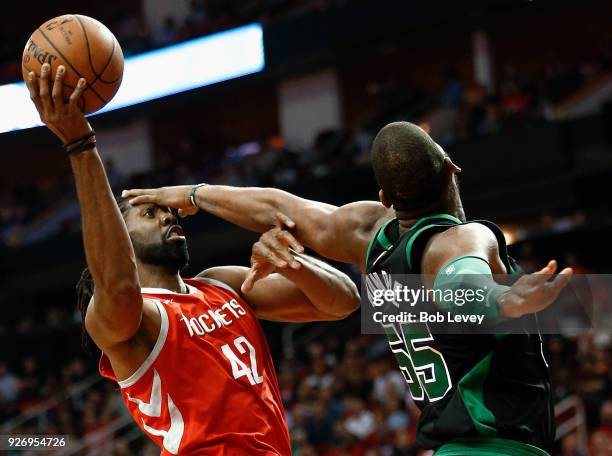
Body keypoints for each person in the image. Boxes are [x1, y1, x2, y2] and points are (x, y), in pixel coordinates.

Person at [124, 121, 573, 455]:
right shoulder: (462, 237)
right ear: (453, 168)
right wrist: (505, 298)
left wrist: (195, 193)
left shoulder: (370, 237)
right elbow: (463, 281)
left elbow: (278, 205)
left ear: (384, 198)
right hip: (500, 447)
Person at [26, 63, 360, 455]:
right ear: (123, 242)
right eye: (150, 214)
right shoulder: (131, 320)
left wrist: (292, 263)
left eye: (169, 211)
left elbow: (345, 301)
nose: (169, 214)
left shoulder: (221, 283)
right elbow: (118, 282)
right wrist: (81, 147)